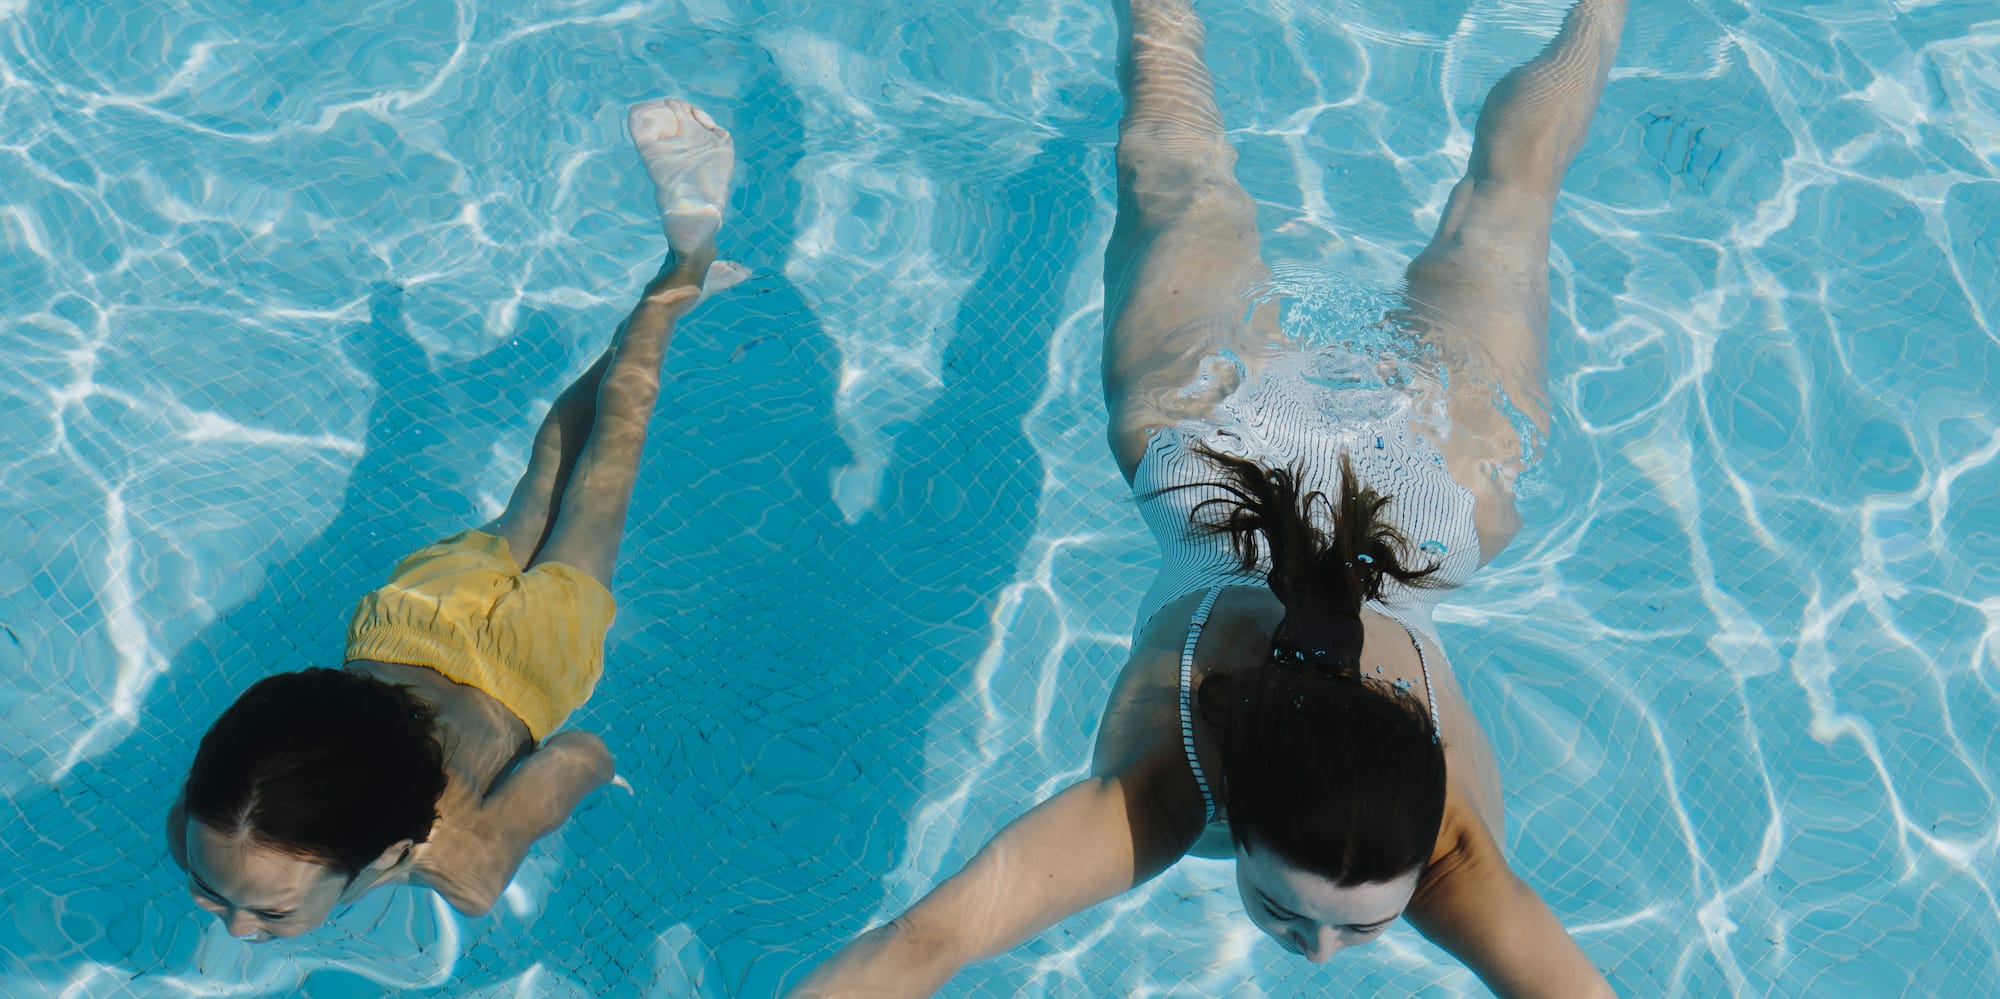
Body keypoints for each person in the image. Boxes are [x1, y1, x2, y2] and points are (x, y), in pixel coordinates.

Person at [792, 0, 1625, 994]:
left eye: (1360, 925)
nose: (1316, 948)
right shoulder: (1168, 782)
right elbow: (924, 942)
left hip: (1393, 473)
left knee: (1494, 193)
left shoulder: (1437, 844)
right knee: (1449, 189)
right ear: (1232, 793)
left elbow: (928, 941)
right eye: (1281, 909)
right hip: (1254, 455)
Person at [164, 99, 742, 942]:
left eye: (267, 909)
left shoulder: (468, 867)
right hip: (413, 623)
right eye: (215, 890)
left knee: (599, 474)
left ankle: (683, 265)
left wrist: (591, 783)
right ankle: (645, 326)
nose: (235, 927)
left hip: (530, 664)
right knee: (553, 469)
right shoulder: (208, 818)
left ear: (395, 855)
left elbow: (584, 752)